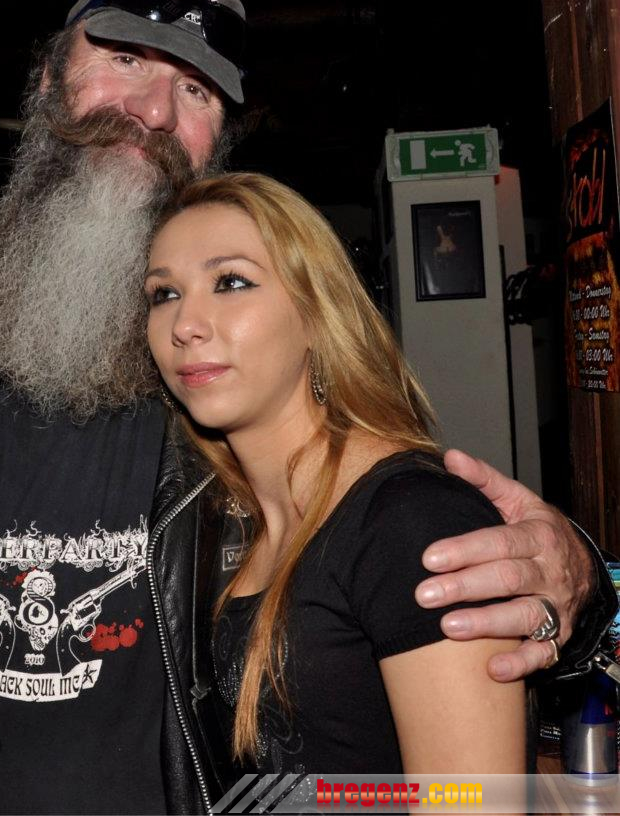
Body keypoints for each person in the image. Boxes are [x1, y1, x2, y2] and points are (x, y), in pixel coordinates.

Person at [0, 0, 614, 815]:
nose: (155, 111)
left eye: (195, 91)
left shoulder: (222, 376)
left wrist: (580, 581)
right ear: (49, 78)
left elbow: (391, 552)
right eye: (125, 59)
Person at [145, 172, 525, 783]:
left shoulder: (412, 520)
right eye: (163, 293)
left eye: (231, 282)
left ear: (316, 313)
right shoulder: (216, 522)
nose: (185, 324)